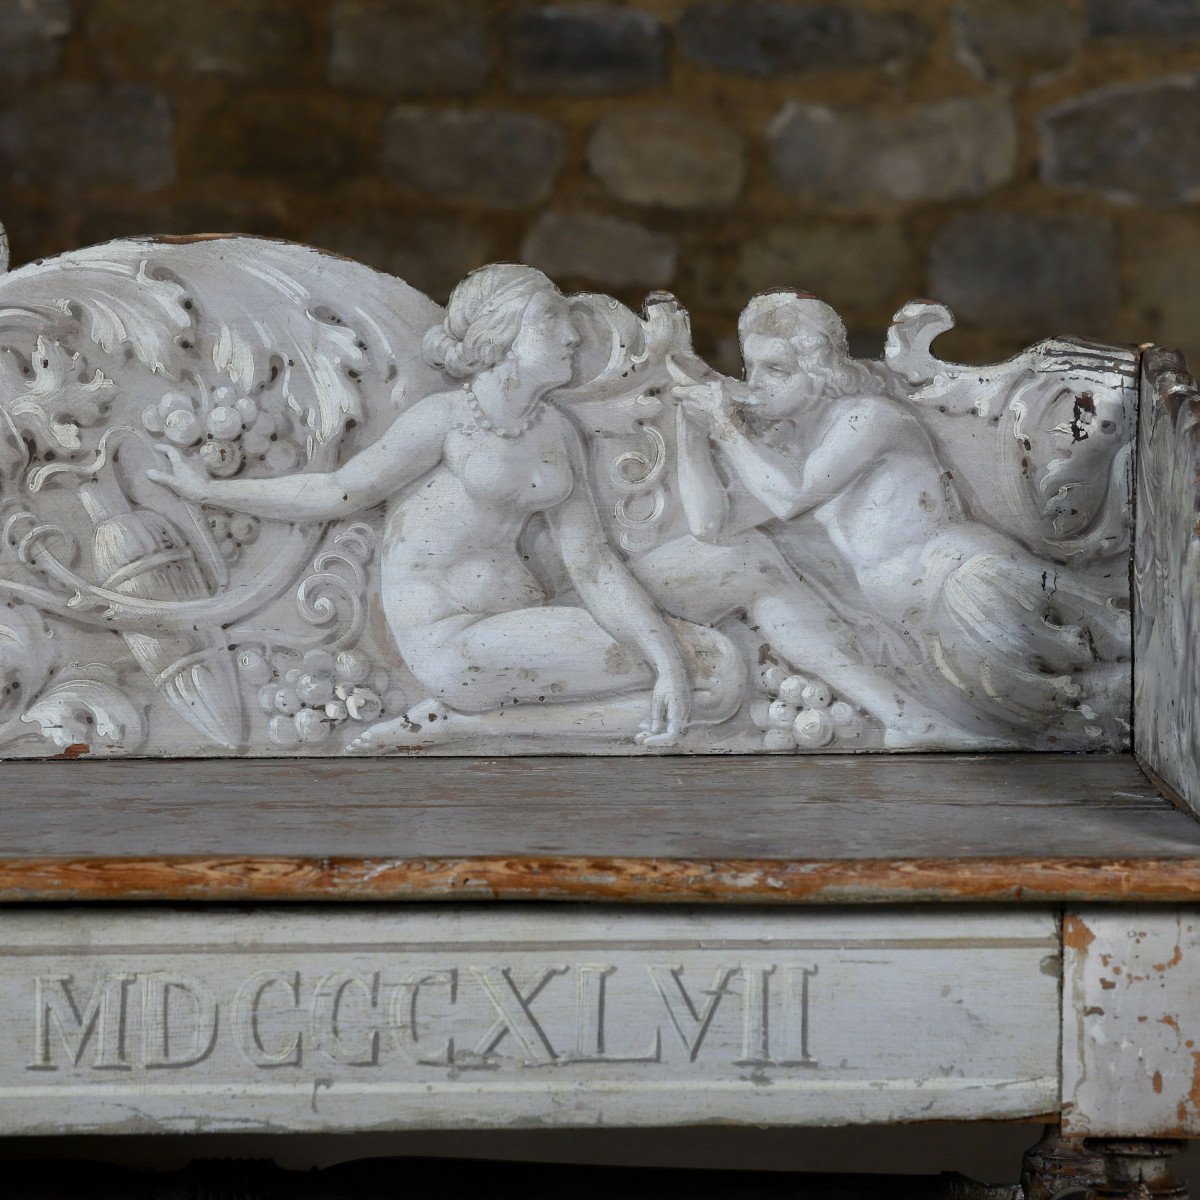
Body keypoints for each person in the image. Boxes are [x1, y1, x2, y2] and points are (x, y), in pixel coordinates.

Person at [149, 264, 744, 751]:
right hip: (456, 646)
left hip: (515, 629)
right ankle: (462, 723)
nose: (572, 336)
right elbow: (337, 491)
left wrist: (664, 655)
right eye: (550, 319)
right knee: (714, 665)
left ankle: (471, 729)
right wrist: (208, 490)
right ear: (503, 333)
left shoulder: (554, 430)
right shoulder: (446, 420)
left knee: (714, 666)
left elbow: (592, 565)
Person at [665, 291, 1127, 745]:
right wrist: (689, 430)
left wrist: (724, 425)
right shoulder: (791, 453)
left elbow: (792, 499)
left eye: (777, 369)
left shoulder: (865, 420)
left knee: (1086, 696)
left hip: (964, 584)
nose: (757, 381)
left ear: (820, 370)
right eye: (753, 367)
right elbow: (711, 525)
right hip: (917, 625)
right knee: (1052, 712)